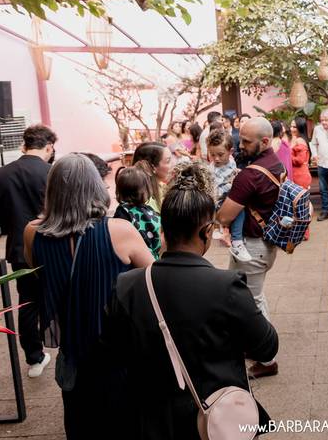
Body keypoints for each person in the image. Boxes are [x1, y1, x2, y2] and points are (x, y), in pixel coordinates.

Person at [102, 163, 279, 439]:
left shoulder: (128, 285)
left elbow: (115, 351)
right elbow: (267, 346)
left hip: (152, 421)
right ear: (206, 231)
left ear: (163, 229)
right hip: (215, 418)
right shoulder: (226, 286)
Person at [23, 154, 154, 439]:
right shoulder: (119, 230)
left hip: (73, 352)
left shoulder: (33, 233)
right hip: (118, 352)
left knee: (80, 424)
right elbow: (153, 278)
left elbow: (38, 272)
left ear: (52, 190)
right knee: (125, 425)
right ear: (96, 187)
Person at [217, 117, 284, 378]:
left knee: (251, 304)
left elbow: (224, 217)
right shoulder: (275, 163)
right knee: (256, 297)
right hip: (266, 244)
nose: (240, 145)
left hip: (252, 248)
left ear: (264, 141)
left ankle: (267, 359)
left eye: (246, 141)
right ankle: (256, 346)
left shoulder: (250, 174)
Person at [0, 124, 57, 377]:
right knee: (63, 295)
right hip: (54, 245)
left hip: (19, 248)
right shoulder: (52, 172)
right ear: (49, 147)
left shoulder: (0, 174)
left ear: (24, 145)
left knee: (28, 302)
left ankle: (34, 357)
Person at [207, 129, 251, 263]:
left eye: (220, 154)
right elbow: (216, 190)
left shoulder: (231, 162)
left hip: (228, 196)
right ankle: (237, 241)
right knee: (239, 209)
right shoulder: (212, 169)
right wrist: (232, 184)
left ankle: (231, 234)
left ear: (230, 152)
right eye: (212, 155)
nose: (216, 158)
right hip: (218, 200)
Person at [113, 165, 162, 259]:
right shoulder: (125, 212)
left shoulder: (123, 211)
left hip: (144, 257)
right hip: (148, 257)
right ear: (144, 190)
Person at [132, 142, 172, 213]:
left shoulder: (162, 186)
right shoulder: (146, 202)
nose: (173, 164)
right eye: (168, 161)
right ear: (152, 167)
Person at [290, 117, 312, 189]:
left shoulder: (299, 140)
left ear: (300, 128)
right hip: (297, 175)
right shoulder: (295, 139)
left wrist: (288, 156)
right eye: (291, 126)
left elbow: (300, 160)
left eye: (294, 127)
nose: (291, 129)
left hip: (299, 177)